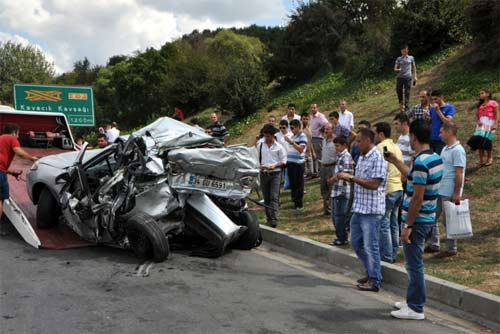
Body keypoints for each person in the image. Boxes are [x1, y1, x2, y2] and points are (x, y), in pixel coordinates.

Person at [384, 120, 443, 320]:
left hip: (417, 221)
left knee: (414, 264)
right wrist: (395, 161)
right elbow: (412, 177)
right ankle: (412, 300)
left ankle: (416, 307)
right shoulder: (434, 158)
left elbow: (417, 197)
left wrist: (408, 225)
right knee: (413, 263)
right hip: (427, 218)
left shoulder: (420, 162)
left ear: (414, 137)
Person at [337, 128, 387, 292]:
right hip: (359, 208)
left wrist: (351, 178)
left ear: (367, 140)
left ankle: (375, 280)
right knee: (356, 242)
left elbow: (374, 184)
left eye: (359, 141)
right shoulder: (363, 157)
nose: (357, 144)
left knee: (370, 245)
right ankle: (370, 271)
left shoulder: (377, 157)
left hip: (371, 210)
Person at [427, 123, 466, 257]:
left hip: (449, 191)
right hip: (440, 189)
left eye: (442, 132)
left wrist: (456, 192)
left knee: (448, 220)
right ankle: (434, 243)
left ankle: (451, 248)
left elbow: (459, 172)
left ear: (449, 132)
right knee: (432, 217)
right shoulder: (445, 149)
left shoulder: (458, 150)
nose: (439, 134)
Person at [0, 124, 38, 236]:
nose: (17, 137)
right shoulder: (11, 138)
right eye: (17, 134)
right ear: (14, 132)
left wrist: (11, 172)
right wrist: (32, 158)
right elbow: (18, 151)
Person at [374, 122, 404, 264]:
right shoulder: (396, 147)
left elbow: (381, 171)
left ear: (381, 134)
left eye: (375, 133)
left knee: (384, 223)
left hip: (388, 189)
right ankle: (392, 254)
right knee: (393, 223)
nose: (374, 136)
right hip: (398, 188)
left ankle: (386, 255)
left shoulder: (380, 148)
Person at [257, 124, 287, 228]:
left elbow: (283, 161)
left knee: (274, 197)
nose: (266, 138)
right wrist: (260, 166)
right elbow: (256, 158)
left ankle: (274, 218)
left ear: (273, 136)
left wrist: (274, 166)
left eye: (268, 136)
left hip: (275, 174)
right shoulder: (260, 145)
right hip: (264, 173)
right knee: (266, 197)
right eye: (265, 136)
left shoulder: (279, 147)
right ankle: (268, 217)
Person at [328, 136, 354, 246]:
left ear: (344, 145)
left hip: (342, 191)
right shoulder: (339, 156)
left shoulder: (346, 157)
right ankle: (340, 236)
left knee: (340, 217)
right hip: (336, 190)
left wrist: (335, 178)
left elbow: (348, 173)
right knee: (335, 216)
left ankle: (342, 238)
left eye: (338, 146)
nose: (336, 148)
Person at [467, 88, 498, 167]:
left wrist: (495, 124)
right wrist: (478, 121)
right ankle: (481, 161)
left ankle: (489, 158)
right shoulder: (480, 105)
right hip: (481, 125)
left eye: (482, 93)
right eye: (480, 93)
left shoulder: (493, 103)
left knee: (487, 141)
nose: (480, 95)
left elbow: (497, 114)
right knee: (478, 141)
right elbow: (477, 115)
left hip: (490, 124)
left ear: (488, 94)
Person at [283, 119, 307, 210]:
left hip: (298, 163)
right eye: (290, 128)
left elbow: (301, 149)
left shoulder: (302, 136)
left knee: (299, 183)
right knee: (292, 183)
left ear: (298, 127)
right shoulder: (292, 136)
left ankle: (299, 203)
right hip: (290, 163)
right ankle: (294, 201)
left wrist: (291, 142)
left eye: (292, 128)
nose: (291, 130)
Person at [430, 89, 455, 154]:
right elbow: (431, 122)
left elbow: (448, 122)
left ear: (441, 97)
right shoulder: (432, 108)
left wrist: (438, 111)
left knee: (440, 160)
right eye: (432, 99)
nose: (434, 101)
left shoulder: (449, 107)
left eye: (435, 99)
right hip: (431, 138)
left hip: (442, 139)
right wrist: (427, 118)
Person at [319, 123, 336, 215]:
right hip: (323, 167)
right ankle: (326, 209)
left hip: (332, 167)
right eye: (325, 129)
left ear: (332, 130)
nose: (326, 131)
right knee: (323, 187)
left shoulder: (335, 141)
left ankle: (332, 209)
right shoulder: (324, 140)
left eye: (328, 129)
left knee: (331, 188)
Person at [394, 45, 418, 111]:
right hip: (400, 78)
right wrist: (398, 69)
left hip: (408, 77)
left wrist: (415, 76)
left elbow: (414, 67)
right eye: (402, 51)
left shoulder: (411, 58)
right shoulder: (398, 59)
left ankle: (406, 106)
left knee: (407, 92)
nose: (404, 52)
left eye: (405, 50)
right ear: (401, 51)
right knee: (399, 91)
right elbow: (395, 68)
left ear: (407, 50)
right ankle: (401, 104)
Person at [310, 103, 329, 176]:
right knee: (314, 155)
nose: (313, 109)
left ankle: (322, 171)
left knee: (320, 155)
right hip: (312, 138)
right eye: (311, 108)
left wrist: (320, 129)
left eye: (314, 108)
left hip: (318, 138)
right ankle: (316, 171)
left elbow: (326, 124)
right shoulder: (311, 116)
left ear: (317, 108)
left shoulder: (320, 116)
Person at [276, 119, 291, 189]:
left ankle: (289, 184)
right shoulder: (277, 135)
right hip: (280, 157)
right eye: (280, 128)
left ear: (287, 127)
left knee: (289, 172)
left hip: (289, 157)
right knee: (281, 171)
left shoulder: (291, 134)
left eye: (284, 128)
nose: (282, 129)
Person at [300, 112, 316, 178]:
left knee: (311, 172)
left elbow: (310, 141)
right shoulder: (300, 129)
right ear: (301, 119)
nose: (305, 120)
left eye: (307, 119)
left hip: (309, 152)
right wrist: (301, 125)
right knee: (304, 173)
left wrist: (313, 152)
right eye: (304, 119)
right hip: (302, 153)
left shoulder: (309, 128)